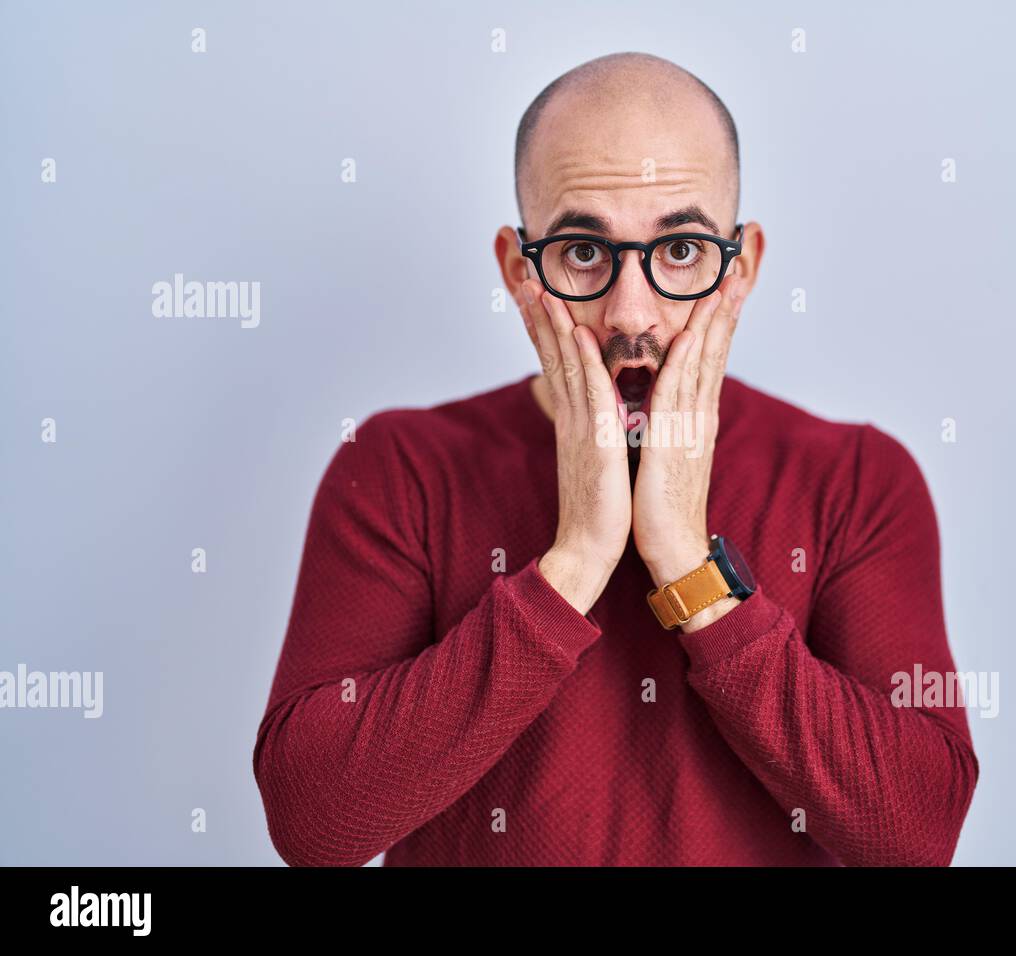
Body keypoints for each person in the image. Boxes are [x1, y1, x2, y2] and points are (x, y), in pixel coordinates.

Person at [253, 51, 978, 866]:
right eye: (584, 253)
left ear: (741, 267)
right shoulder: (400, 466)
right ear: (517, 270)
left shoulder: (857, 479)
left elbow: (916, 833)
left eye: (680, 252)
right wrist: (578, 558)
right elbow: (315, 825)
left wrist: (684, 562)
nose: (632, 315)